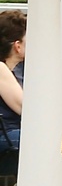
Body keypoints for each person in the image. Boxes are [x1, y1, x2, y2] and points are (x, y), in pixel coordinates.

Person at [0, 8, 26, 153]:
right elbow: (25, 108)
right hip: (8, 134)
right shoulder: (1, 69)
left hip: (18, 132)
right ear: (17, 46)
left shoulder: (24, 69)